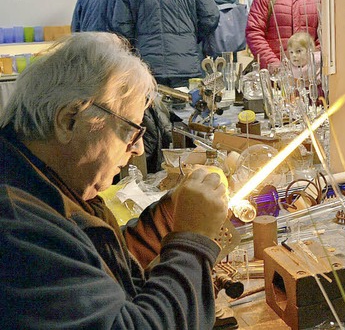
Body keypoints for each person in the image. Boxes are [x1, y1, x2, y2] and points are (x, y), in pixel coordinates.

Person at [0, 32, 229, 329]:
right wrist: (191, 243)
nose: (138, 149)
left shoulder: (41, 181)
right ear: (69, 120)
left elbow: (94, 269)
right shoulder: (17, 226)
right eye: (130, 131)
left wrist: (166, 220)